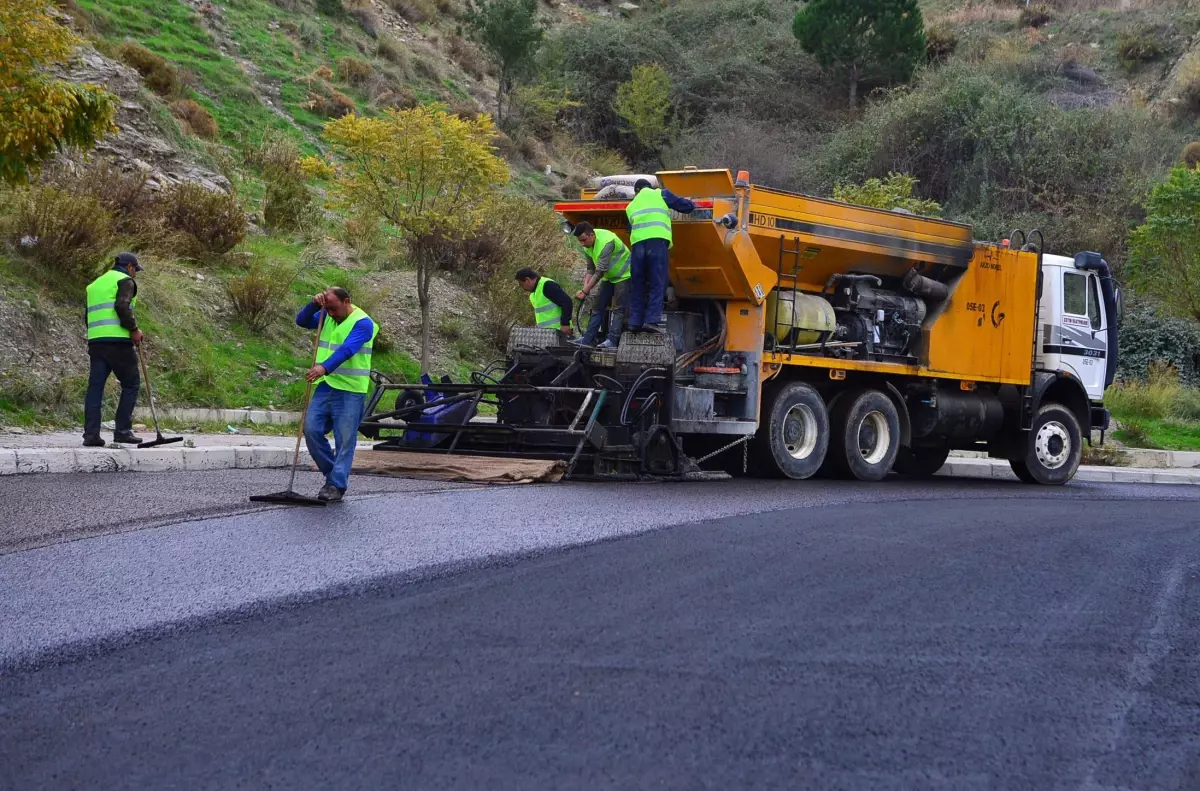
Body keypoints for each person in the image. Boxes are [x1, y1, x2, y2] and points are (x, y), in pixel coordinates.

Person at [295, 287, 378, 503]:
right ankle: (334, 475)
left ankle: (336, 485)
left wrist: (324, 367)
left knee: (345, 440)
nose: (330, 313)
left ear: (347, 301)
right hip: (326, 386)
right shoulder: (326, 315)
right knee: (311, 429)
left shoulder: (363, 323)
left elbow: (347, 350)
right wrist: (314, 305)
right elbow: (301, 321)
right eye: (326, 308)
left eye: (333, 308)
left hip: (351, 390)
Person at [83, 252, 145, 447]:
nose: (135, 274)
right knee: (131, 384)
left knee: (95, 388)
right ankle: (123, 431)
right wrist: (134, 330)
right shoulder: (125, 280)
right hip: (118, 342)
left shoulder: (95, 284)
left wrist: (96, 336)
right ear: (129, 267)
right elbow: (122, 306)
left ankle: (91, 435)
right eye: (135, 270)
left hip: (96, 341)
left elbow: (87, 315)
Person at [625, 178, 695, 334]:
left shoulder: (630, 206)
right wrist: (693, 203)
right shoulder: (661, 194)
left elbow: (629, 229)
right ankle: (652, 321)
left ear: (636, 191)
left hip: (637, 247)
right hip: (656, 243)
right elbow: (686, 207)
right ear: (650, 187)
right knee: (658, 282)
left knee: (638, 284)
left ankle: (634, 322)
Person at [571, 222, 631, 349]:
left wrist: (585, 291)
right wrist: (584, 288)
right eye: (580, 241)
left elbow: (599, 271)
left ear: (591, 235)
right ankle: (587, 340)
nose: (582, 244)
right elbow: (590, 269)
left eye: (583, 240)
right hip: (608, 277)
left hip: (624, 275)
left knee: (619, 310)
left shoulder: (606, 242)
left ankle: (612, 341)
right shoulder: (587, 244)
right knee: (597, 308)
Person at [515, 267, 573, 335]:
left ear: (527, 280)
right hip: (548, 334)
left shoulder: (547, 285)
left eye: (522, 284)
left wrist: (565, 324)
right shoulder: (533, 293)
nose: (522, 288)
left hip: (560, 331)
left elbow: (567, 302)